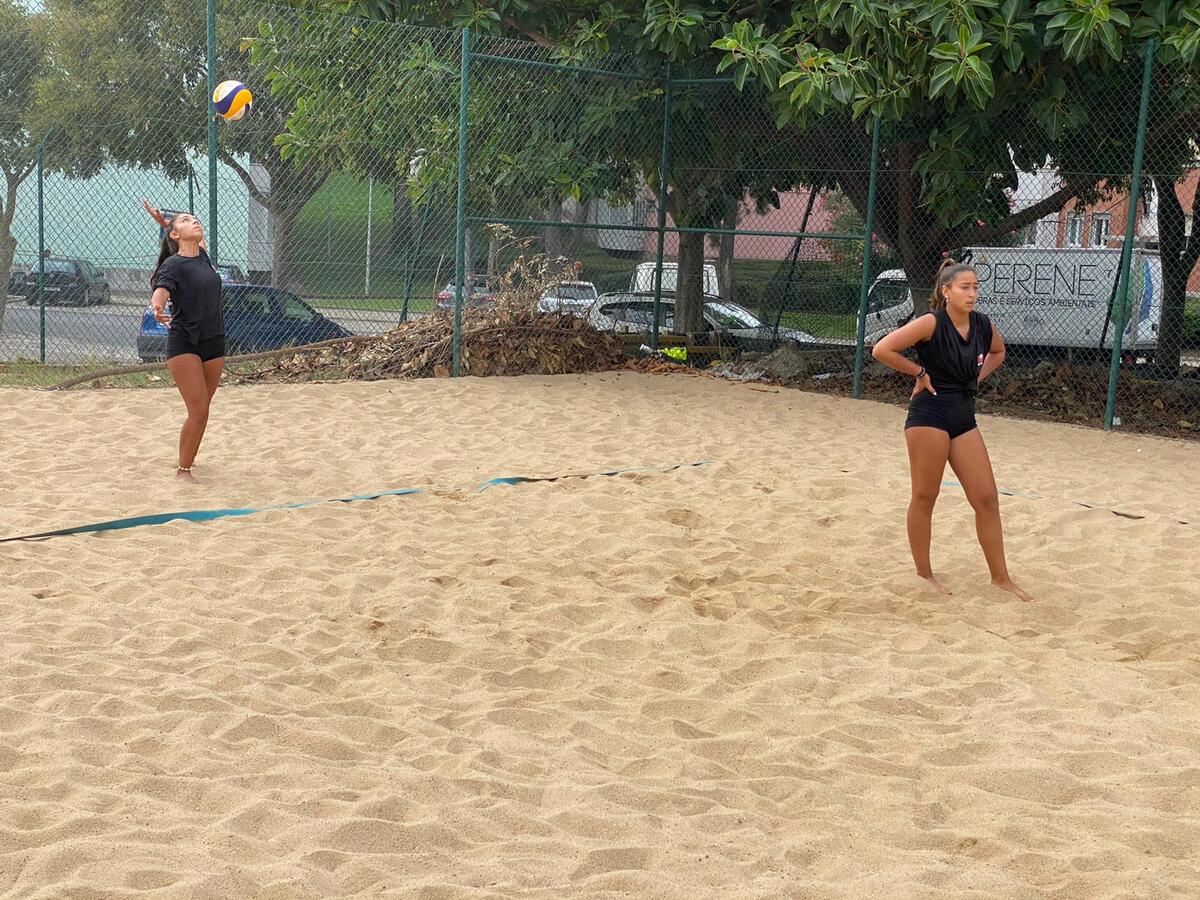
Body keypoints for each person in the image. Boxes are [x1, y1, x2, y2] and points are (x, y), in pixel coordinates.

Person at [872, 259, 1030, 602]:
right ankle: (924, 574)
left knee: (986, 498)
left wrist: (975, 378)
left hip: (963, 416)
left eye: (975, 287)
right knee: (925, 495)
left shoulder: (983, 325)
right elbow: (882, 349)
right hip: (929, 414)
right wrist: (919, 372)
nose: (972, 293)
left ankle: (1000, 578)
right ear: (946, 291)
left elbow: (999, 352)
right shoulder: (931, 322)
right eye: (965, 287)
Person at [142, 200, 224, 482]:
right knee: (198, 410)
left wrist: (165, 223)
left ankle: (188, 457)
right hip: (184, 343)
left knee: (202, 410)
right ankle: (183, 470)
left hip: (214, 340)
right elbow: (162, 290)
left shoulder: (203, 257)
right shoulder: (172, 265)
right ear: (176, 235)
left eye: (195, 218)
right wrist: (157, 307)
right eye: (186, 220)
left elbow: (185, 239)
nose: (195, 221)